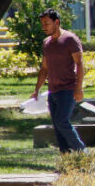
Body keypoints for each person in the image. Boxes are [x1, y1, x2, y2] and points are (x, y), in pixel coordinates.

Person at [30, 9, 85, 153]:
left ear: (57, 22)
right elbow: (44, 68)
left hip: (68, 89)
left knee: (62, 121)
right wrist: (37, 89)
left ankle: (82, 152)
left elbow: (79, 64)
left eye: (47, 23)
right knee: (57, 126)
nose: (44, 27)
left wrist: (79, 88)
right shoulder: (46, 43)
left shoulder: (70, 39)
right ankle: (66, 157)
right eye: (42, 24)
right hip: (53, 91)